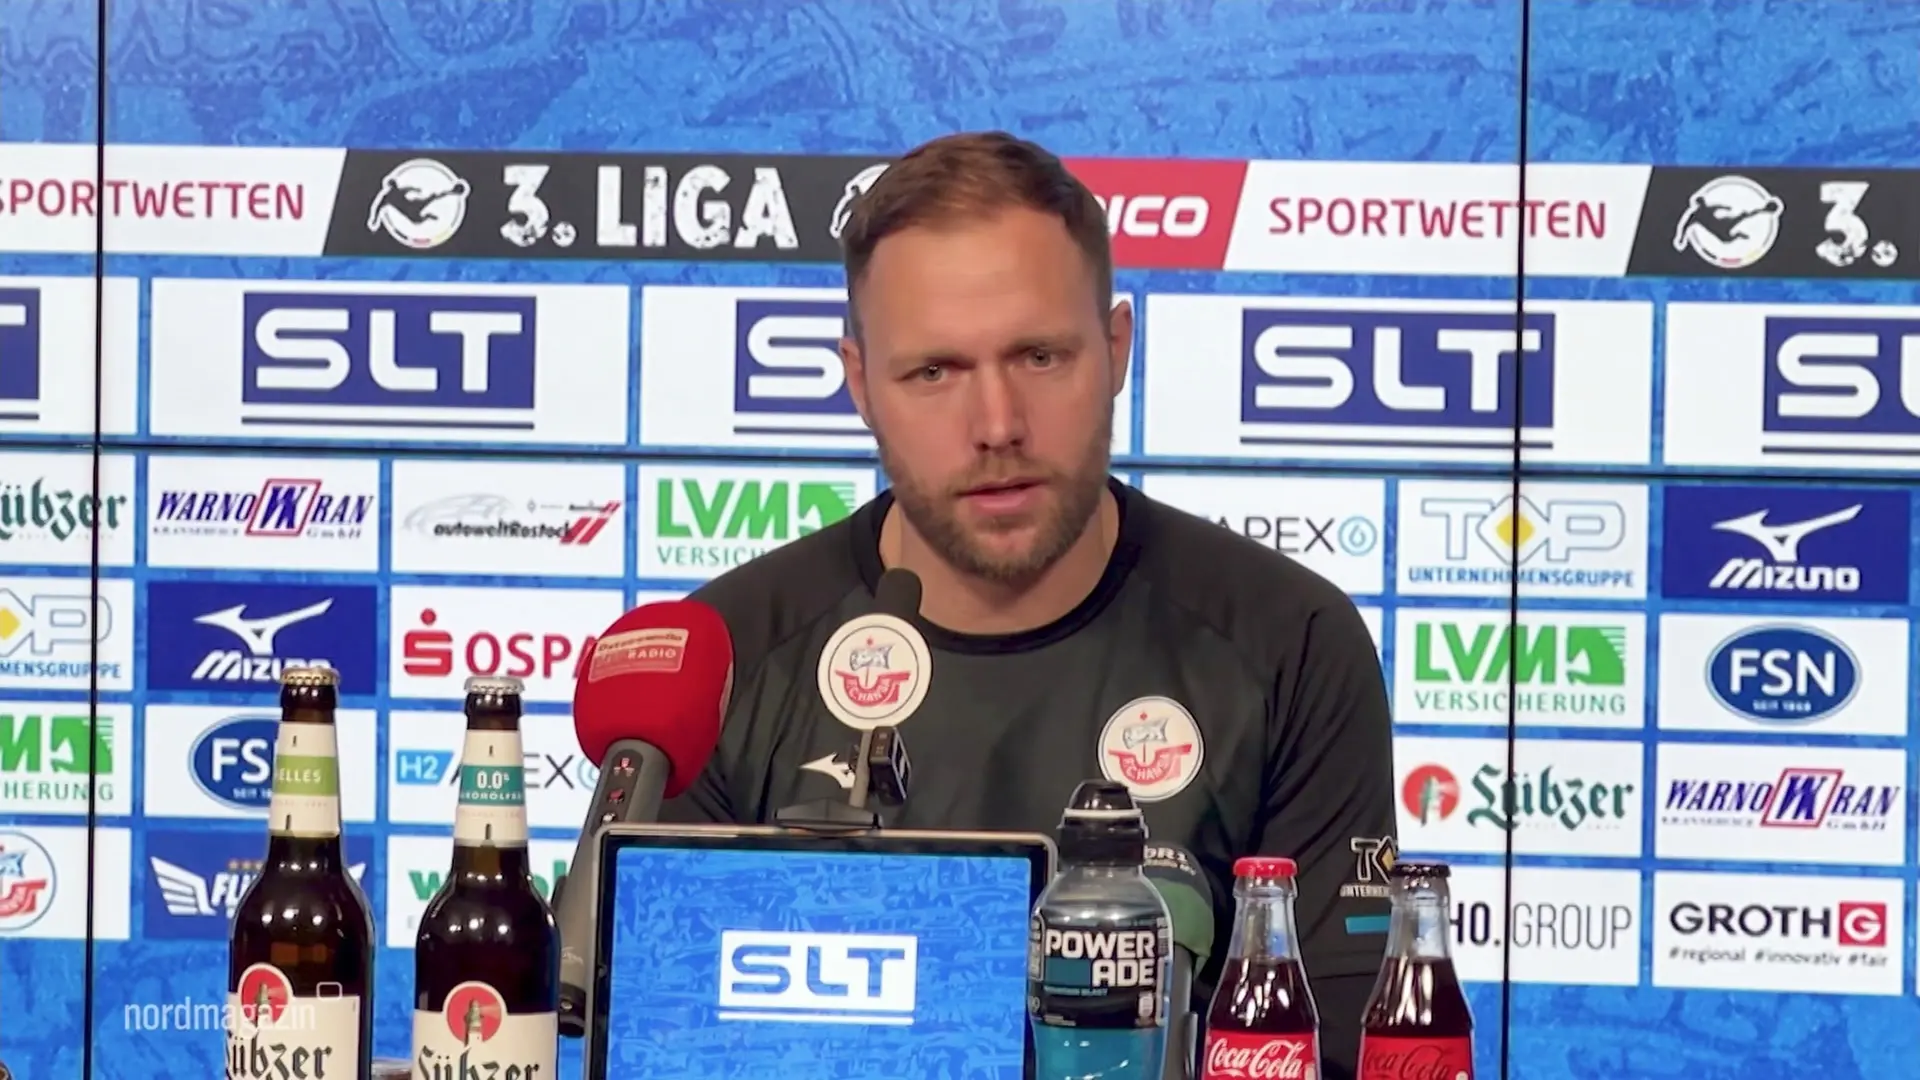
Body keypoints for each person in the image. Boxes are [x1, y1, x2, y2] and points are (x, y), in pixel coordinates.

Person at [660, 130, 1397, 1079]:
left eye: (1040, 356)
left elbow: (1336, 1051)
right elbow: (662, 1035)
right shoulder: (720, 662)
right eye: (934, 372)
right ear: (860, 386)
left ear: (1117, 349)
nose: (997, 425)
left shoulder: (1291, 644)